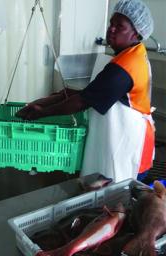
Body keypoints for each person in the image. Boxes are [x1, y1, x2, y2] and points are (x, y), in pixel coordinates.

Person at [16, 0, 155, 182]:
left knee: (116, 196)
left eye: (119, 26)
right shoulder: (134, 54)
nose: (111, 29)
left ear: (136, 33)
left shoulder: (125, 67)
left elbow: (83, 101)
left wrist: (42, 112)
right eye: (111, 24)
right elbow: (94, 92)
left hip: (126, 145)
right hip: (126, 137)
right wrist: (53, 98)